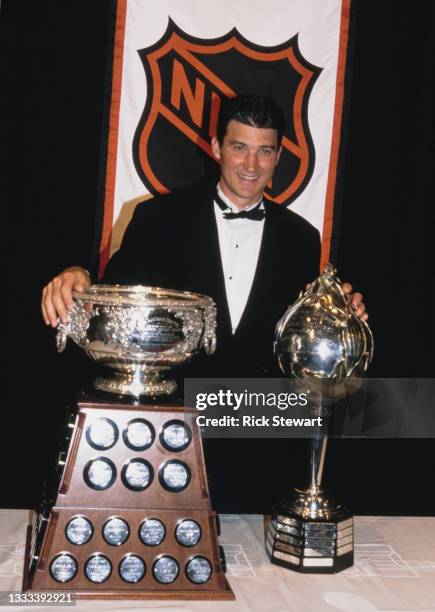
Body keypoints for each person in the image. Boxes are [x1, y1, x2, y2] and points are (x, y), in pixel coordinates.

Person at [41, 94, 367, 510]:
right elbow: (114, 301)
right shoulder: (158, 218)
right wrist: (81, 275)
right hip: (168, 441)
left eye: (264, 151)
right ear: (215, 148)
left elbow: (299, 336)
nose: (251, 165)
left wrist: (340, 314)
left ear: (278, 155)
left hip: (258, 446)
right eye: (239, 147)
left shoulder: (302, 238)